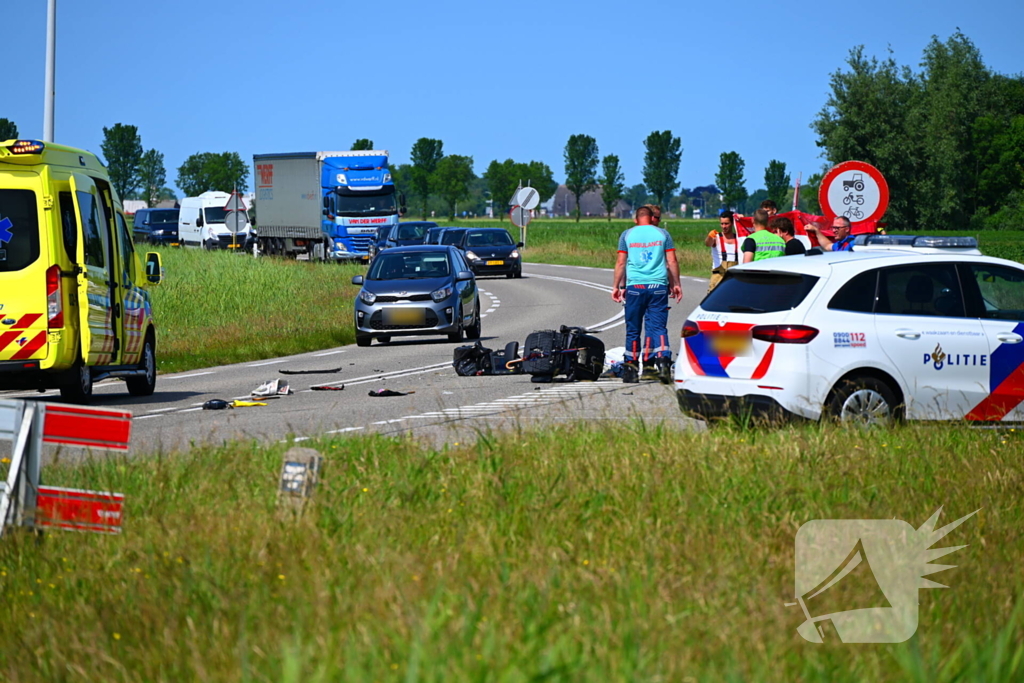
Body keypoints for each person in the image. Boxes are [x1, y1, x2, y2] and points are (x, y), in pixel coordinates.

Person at [612, 206, 683, 383]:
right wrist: (676, 284)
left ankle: (631, 370)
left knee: (633, 330)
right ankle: (664, 362)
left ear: (636, 219)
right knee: (659, 328)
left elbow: (621, 263)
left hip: (635, 286)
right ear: (652, 218)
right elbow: (672, 261)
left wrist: (617, 286)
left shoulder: (626, 235)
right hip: (658, 286)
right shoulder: (663, 234)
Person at [704, 210, 740, 291]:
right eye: (722, 223)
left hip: (734, 279)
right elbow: (708, 243)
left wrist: (740, 218)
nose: (724, 226)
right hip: (718, 278)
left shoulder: (739, 238)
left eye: (726, 223)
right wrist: (709, 237)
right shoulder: (716, 237)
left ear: (732, 223)